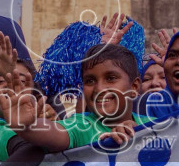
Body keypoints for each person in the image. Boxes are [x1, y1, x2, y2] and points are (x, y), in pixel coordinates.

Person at [9, 44, 149, 152]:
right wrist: (28, 127)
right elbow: (53, 133)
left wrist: (143, 133)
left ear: (134, 87)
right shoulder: (80, 126)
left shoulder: (154, 124)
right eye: (90, 81)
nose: (99, 89)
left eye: (111, 78)